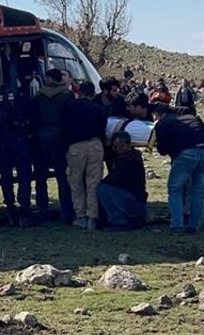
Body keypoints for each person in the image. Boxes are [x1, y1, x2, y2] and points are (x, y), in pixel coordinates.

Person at [152, 103, 204, 234]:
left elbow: (162, 150)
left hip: (187, 153)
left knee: (175, 188)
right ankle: (194, 226)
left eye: (155, 117)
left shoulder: (163, 123)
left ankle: (177, 225)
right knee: (198, 191)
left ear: (160, 115)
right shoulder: (192, 118)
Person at [0, 67, 35, 223]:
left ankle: (9, 206)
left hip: (0, 143)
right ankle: (24, 207)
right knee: (24, 175)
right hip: (19, 141)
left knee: (6, 177)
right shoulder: (23, 97)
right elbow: (33, 120)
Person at [63, 80, 107, 230]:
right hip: (95, 145)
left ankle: (80, 216)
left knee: (76, 182)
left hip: (76, 146)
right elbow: (103, 129)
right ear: (92, 93)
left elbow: (64, 127)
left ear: (79, 92)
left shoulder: (70, 107)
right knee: (93, 182)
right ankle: (92, 217)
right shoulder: (98, 108)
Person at [33, 68, 74, 223]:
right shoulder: (67, 95)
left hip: (40, 138)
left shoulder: (38, 95)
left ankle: (43, 211)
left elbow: (34, 117)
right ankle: (66, 211)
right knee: (62, 177)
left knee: (40, 177)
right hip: (59, 138)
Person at [96, 128, 148, 230]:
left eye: (115, 146)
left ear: (124, 146)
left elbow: (114, 179)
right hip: (137, 198)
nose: (114, 149)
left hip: (134, 201)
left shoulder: (127, 160)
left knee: (103, 189)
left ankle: (119, 221)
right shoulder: (132, 155)